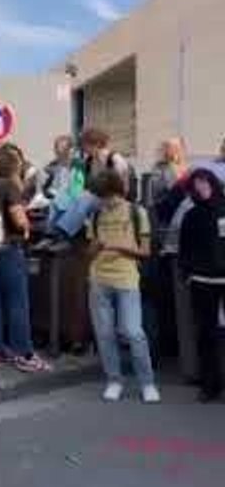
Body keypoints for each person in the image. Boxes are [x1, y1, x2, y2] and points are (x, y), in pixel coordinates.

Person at [86, 169, 160, 403]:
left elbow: (145, 251)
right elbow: (89, 252)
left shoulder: (137, 212)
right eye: (101, 197)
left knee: (133, 331)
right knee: (104, 333)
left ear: (117, 191)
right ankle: (114, 380)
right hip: (99, 277)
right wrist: (95, 247)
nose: (104, 202)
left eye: (107, 196)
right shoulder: (96, 214)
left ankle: (147, 382)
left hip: (127, 277)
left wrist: (118, 247)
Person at [0, 148, 52, 373]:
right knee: (18, 303)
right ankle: (24, 354)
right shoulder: (8, 185)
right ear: (13, 167)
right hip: (7, 250)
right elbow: (19, 220)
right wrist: (27, 226)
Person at [178, 168, 225, 403]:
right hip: (202, 281)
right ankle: (210, 384)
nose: (201, 188)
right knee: (206, 335)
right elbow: (184, 249)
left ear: (213, 184)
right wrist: (189, 274)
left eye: (204, 182)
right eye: (196, 185)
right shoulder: (192, 216)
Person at [51, 127, 131, 240]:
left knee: (85, 198)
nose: (84, 149)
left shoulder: (115, 160)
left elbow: (122, 187)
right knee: (63, 198)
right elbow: (85, 185)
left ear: (96, 144)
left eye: (85, 145)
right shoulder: (90, 161)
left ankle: (65, 232)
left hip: (113, 198)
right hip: (97, 196)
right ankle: (53, 231)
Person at [150, 137, 188, 204]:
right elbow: (157, 188)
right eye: (173, 148)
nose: (177, 151)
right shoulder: (160, 167)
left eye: (178, 148)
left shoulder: (184, 167)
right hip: (166, 203)